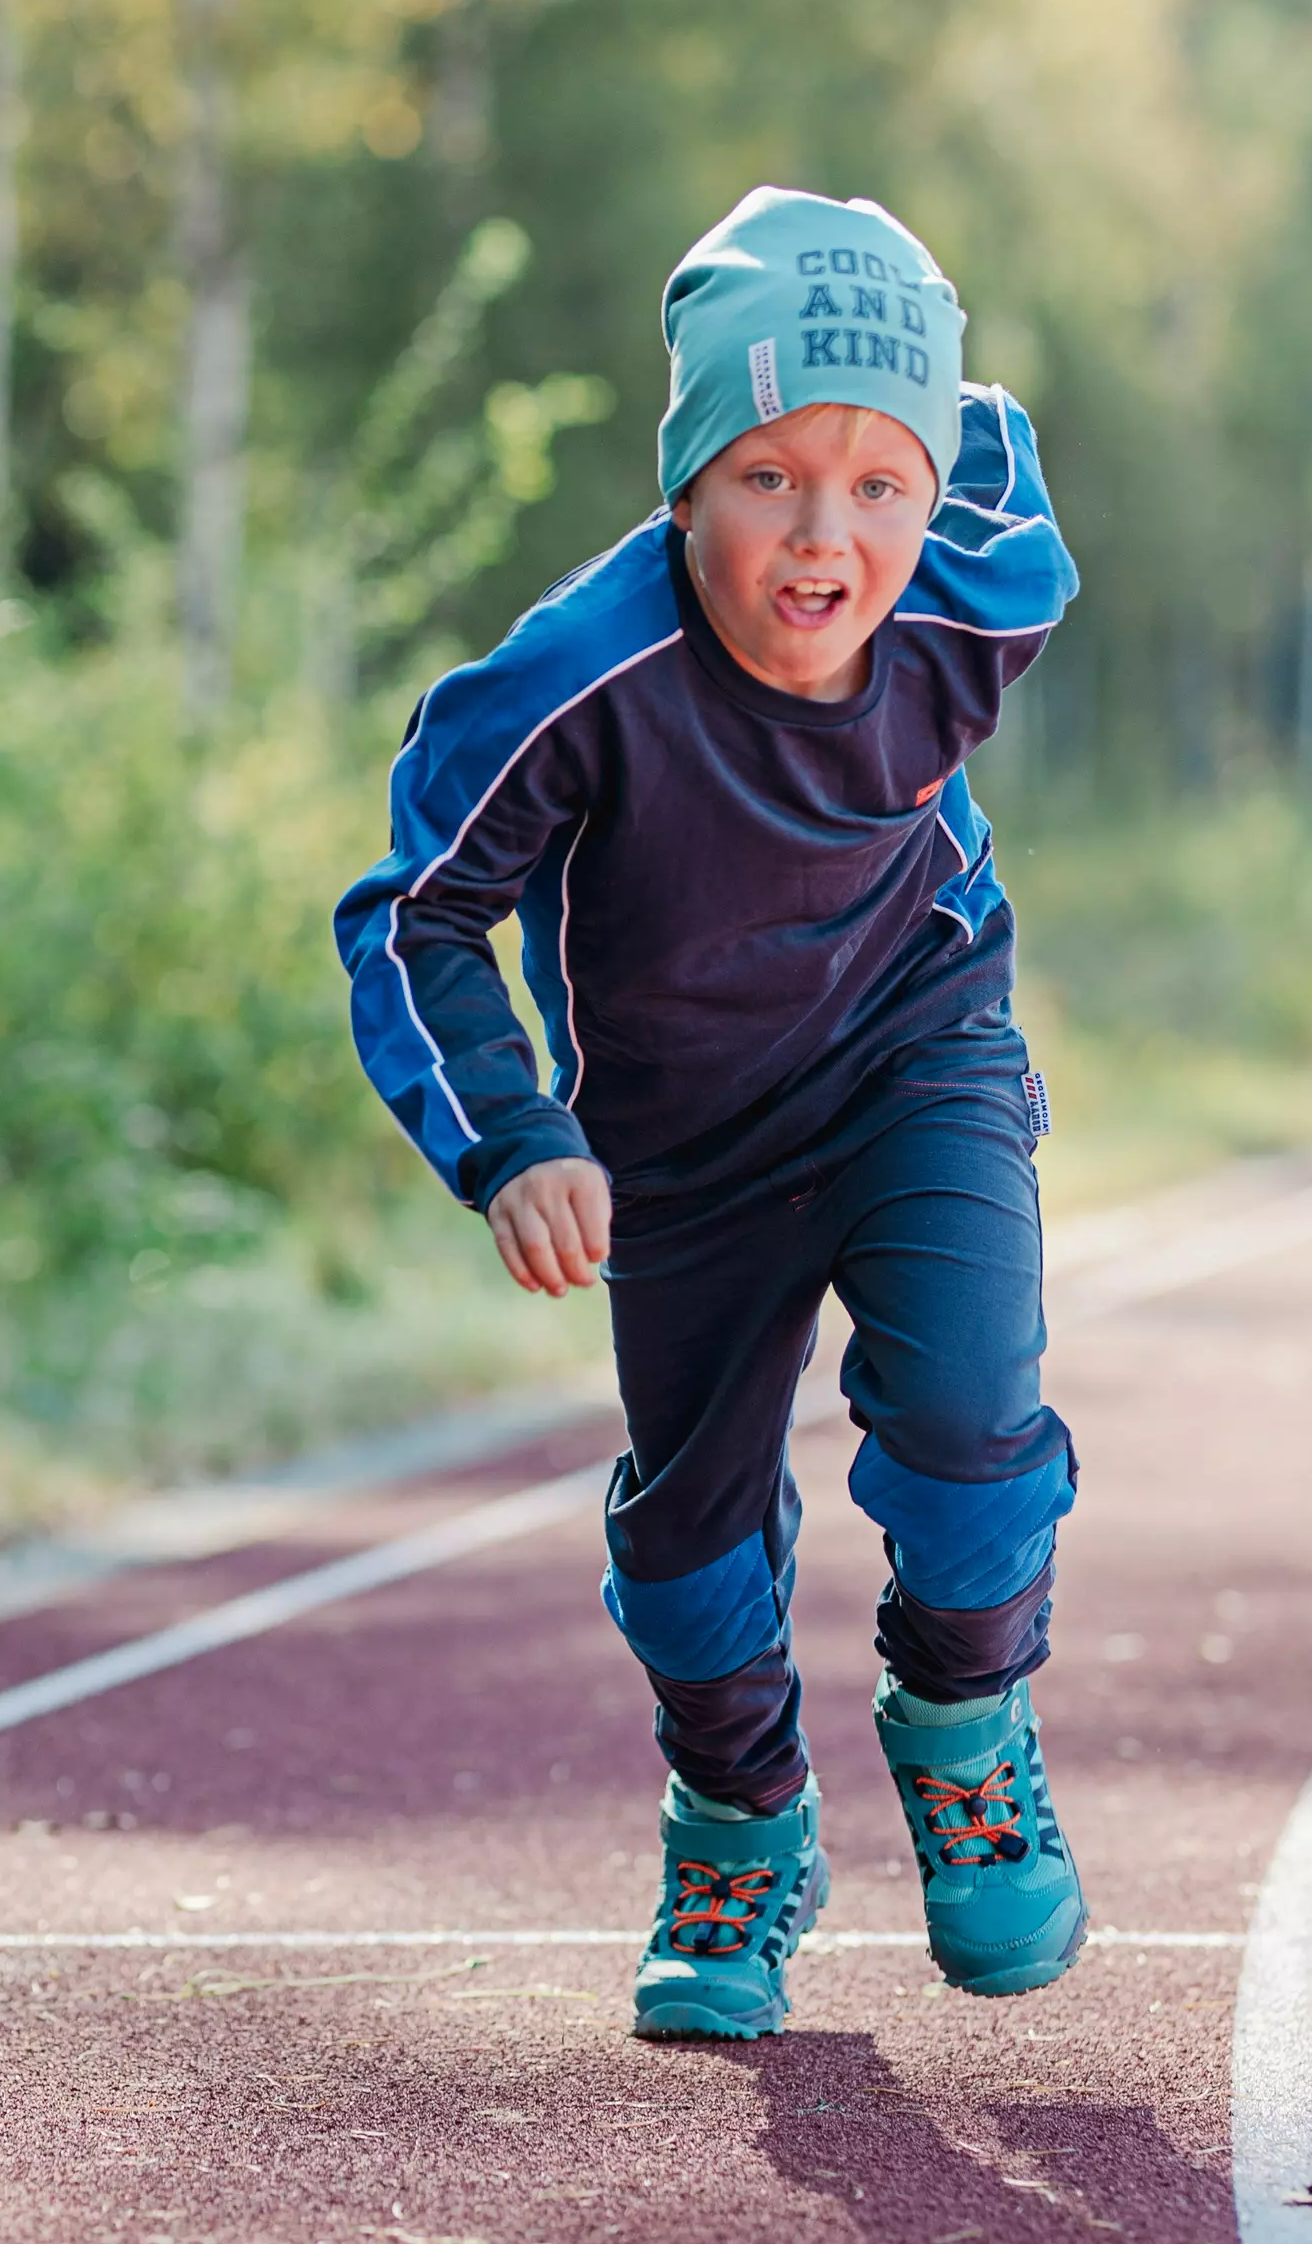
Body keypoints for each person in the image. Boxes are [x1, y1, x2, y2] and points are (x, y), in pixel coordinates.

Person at [335, 187, 1086, 2038]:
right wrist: (511, 1136)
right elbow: (414, 909)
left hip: (920, 1044)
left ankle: (965, 1728)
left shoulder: (979, 583)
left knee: (973, 1419)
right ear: (682, 483)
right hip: (676, 1139)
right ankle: (740, 1825)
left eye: (874, 487)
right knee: (683, 1543)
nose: (826, 541)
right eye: (766, 477)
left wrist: (914, 387)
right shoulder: (578, 674)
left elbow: (985, 435)